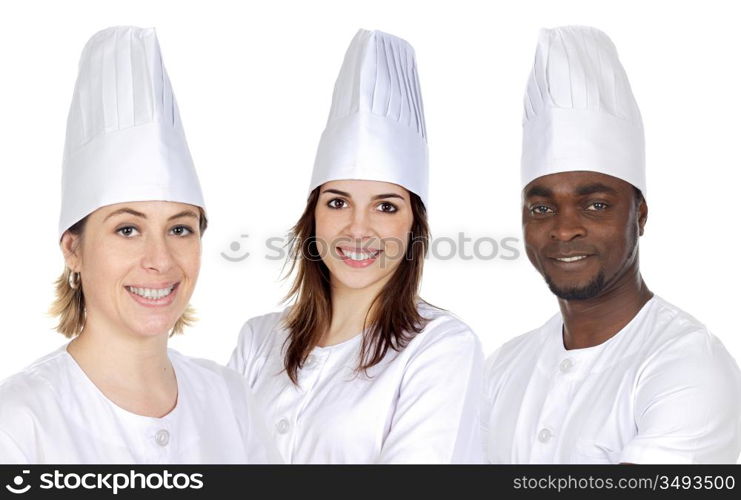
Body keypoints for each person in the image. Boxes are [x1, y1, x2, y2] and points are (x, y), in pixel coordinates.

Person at [0, 26, 276, 464]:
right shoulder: (20, 421)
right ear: (73, 248)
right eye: (127, 229)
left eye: (180, 229)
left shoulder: (229, 398)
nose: (160, 260)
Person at [482, 25, 741, 464]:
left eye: (596, 205)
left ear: (638, 215)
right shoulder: (506, 366)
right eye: (542, 209)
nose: (564, 231)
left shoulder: (689, 367)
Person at [228, 29, 484, 464]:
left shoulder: (441, 346)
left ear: (412, 227)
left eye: (386, 206)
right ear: (312, 217)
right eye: (338, 202)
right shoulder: (259, 340)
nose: (358, 229)